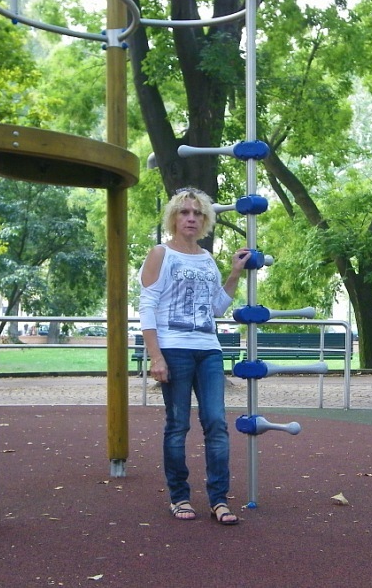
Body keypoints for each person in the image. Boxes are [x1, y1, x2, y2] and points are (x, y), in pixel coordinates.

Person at [138, 187, 251, 526]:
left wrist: (234, 273)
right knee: (178, 425)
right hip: (173, 348)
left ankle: (219, 499)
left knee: (216, 423)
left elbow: (216, 308)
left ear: (205, 220)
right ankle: (180, 496)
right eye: (184, 212)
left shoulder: (206, 259)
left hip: (209, 350)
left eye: (197, 213)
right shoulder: (160, 254)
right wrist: (156, 356)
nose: (191, 218)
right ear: (173, 217)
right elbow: (147, 306)